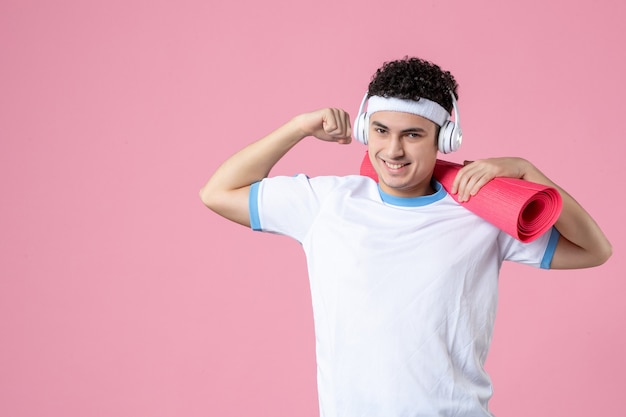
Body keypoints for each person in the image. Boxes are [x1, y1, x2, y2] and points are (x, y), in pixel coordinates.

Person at [199, 57, 611, 417]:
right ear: (365, 130)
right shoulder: (326, 202)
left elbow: (595, 249)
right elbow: (217, 193)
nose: (392, 150)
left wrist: (526, 171)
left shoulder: (480, 211)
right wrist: (298, 127)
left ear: (443, 139)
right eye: (380, 131)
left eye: (412, 135)